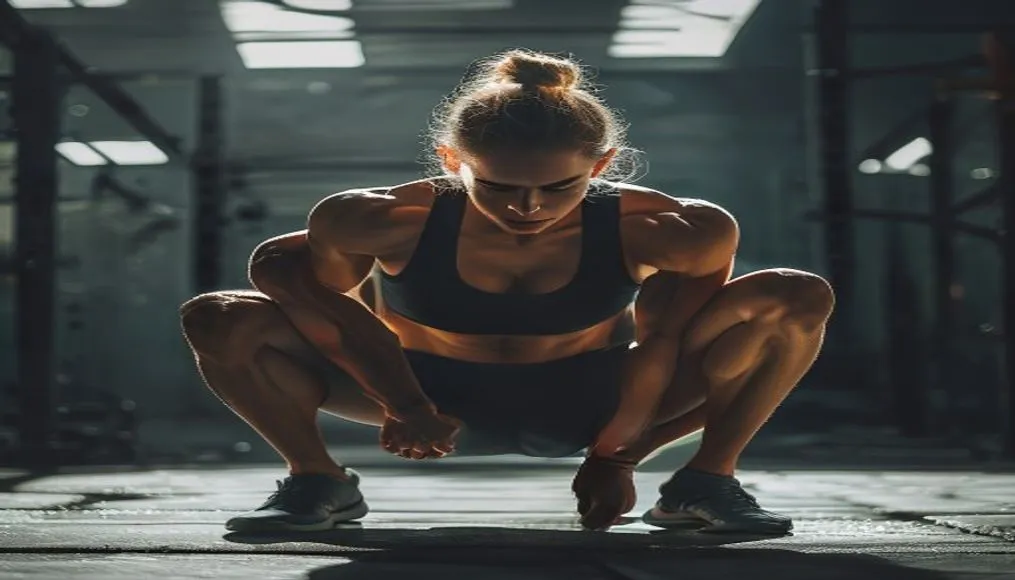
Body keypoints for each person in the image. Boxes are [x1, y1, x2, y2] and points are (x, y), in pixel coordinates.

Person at [179, 49, 834, 534]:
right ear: (452, 162)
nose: (527, 207)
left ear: (600, 166)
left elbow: (661, 341)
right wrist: (404, 403)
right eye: (496, 187)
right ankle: (316, 480)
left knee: (794, 296)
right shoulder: (370, 219)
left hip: (590, 399)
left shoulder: (675, 230)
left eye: (558, 188)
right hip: (423, 397)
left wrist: (617, 455)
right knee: (220, 317)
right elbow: (339, 323)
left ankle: (705, 480)